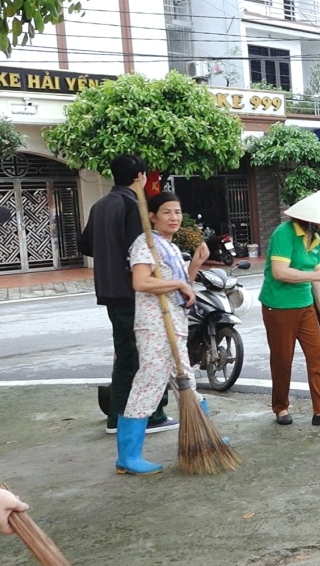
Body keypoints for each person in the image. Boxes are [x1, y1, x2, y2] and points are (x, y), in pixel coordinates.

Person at [79, 154, 180, 435]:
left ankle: (117, 416)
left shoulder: (100, 205)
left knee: (125, 356)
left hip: (108, 291)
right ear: (140, 176)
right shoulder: (135, 207)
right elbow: (142, 251)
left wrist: (108, 254)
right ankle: (151, 415)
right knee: (149, 357)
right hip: (134, 293)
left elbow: (85, 244)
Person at [116, 192, 209, 475]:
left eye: (178, 212)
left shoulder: (169, 246)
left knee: (187, 383)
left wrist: (194, 266)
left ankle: (204, 439)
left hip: (175, 325)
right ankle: (127, 456)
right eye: (167, 212)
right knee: (148, 385)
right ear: (153, 216)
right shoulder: (146, 244)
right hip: (155, 326)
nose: (174, 217)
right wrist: (179, 286)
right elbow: (141, 282)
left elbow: (181, 286)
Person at [260, 190, 320, 427]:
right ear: (310, 218)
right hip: (278, 305)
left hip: (305, 305)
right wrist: (315, 274)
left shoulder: (316, 239)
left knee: (317, 355)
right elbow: (280, 272)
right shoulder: (284, 233)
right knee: (282, 359)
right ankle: (280, 407)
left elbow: (316, 279)